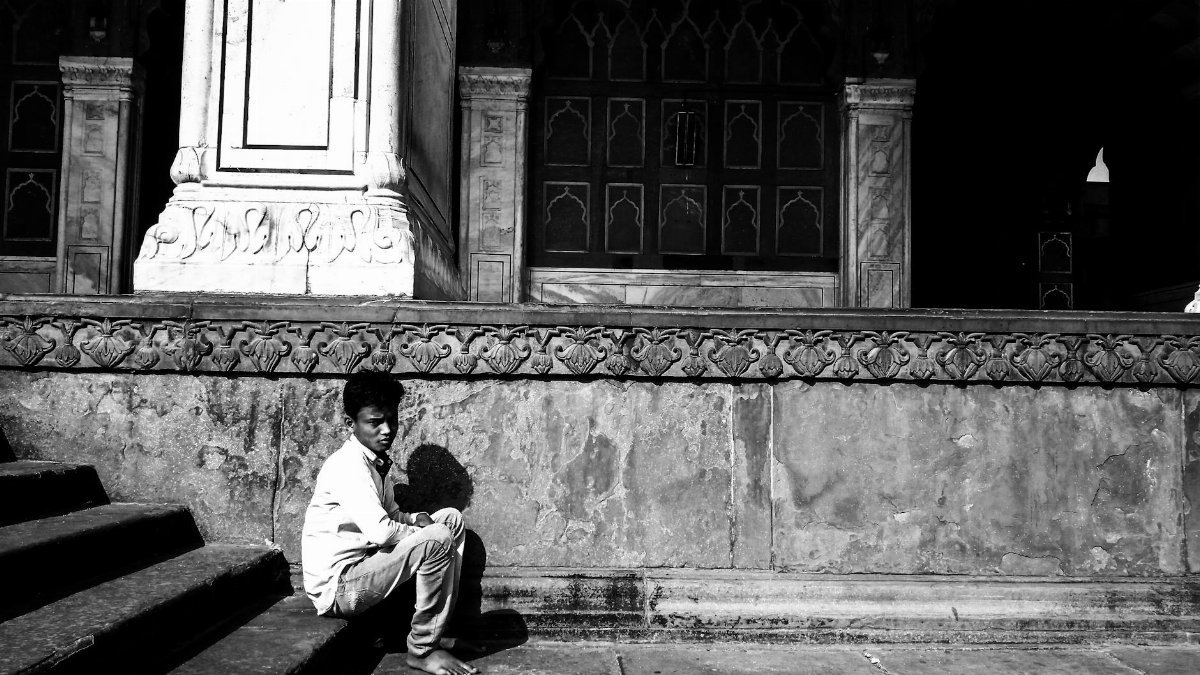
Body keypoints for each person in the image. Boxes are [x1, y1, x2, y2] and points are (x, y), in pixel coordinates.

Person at [302, 371, 479, 675]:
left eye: (392, 421)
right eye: (374, 423)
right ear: (350, 424)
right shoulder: (347, 466)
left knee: (450, 519)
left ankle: (436, 630)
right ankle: (422, 650)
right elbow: (382, 531)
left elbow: (391, 517)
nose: (387, 431)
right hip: (341, 588)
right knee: (436, 537)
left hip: (366, 567)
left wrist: (411, 519)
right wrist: (420, 532)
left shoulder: (374, 462)